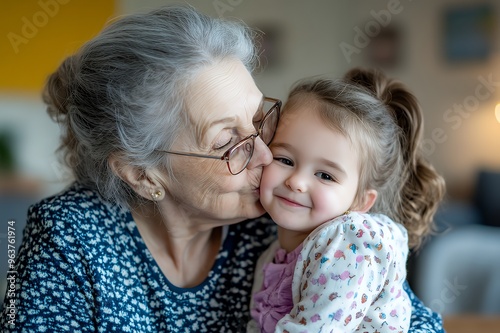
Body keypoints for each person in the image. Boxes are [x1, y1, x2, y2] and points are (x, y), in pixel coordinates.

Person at [0, 5, 445, 333]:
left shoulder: (282, 220)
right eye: (228, 141)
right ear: (142, 174)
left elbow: (419, 325)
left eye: (259, 121)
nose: (269, 158)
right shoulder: (67, 235)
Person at [249, 68, 446, 332]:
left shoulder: (352, 242)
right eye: (285, 160)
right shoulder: (273, 252)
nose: (296, 182)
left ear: (361, 201)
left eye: (325, 175)